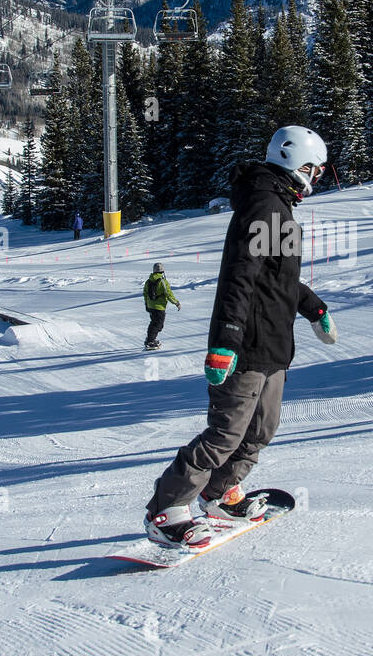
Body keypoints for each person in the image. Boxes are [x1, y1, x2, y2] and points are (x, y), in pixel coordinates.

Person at [143, 125, 338, 548]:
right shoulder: (264, 205)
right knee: (225, 434)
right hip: (246, 345)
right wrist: (225, 341)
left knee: (260, 432)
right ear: (299, 164)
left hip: (273, 344)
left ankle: (218, 494)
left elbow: (280, 280)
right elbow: (239, 277)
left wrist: (314, 308)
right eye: (316, 170)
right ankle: (167, 507)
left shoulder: (281, 208)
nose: (317, 178)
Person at [143, 263, 179, 350]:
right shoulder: (163, 281)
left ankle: (150, 339)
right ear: (162, 271)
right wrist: (176, 303)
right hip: (159, 307)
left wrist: (147, 304)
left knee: (155, 323)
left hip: (150, 306)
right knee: (157, 324)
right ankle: (150, 341)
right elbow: (168, 294)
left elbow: (145, 293)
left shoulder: (148, 281)